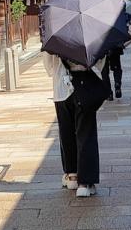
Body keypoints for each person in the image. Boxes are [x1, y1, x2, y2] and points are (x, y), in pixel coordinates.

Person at [42, 51, 106, 198]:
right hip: (85, 88)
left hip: (61, 89)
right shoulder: (91, 38)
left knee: (66, 133)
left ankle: (72, 175)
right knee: (86, 134)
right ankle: (85, 183)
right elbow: (100, 61)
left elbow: (49, 67)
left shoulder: (55, 39)